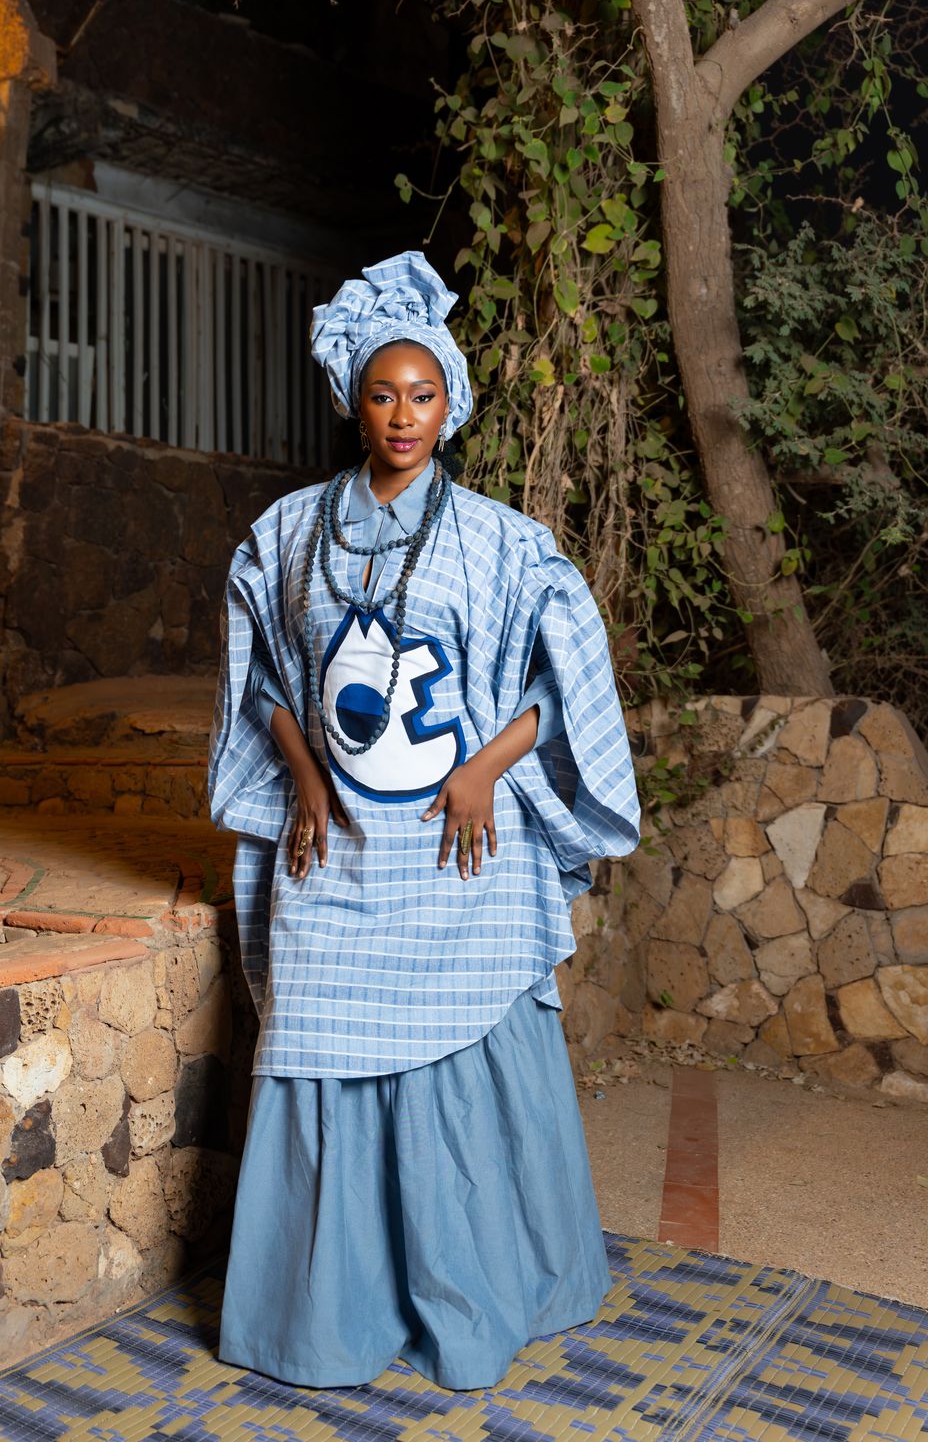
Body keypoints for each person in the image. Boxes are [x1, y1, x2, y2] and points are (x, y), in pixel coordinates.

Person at [207, 249, 640, 1392]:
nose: (404, 416)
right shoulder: (287, 534)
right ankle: (323, 1318)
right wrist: (302, 775)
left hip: (458, 852)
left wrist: (488, 767)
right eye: (384, 395)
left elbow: (566, 678)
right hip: (336, 849)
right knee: (316, 1036)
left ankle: (478, 1291)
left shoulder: (500, 539)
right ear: (354, 403)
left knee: (464, 1042)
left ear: (453, 404)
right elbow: (266, 681)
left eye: (425, 395)